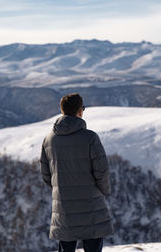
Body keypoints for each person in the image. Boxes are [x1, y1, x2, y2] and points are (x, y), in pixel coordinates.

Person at [40, 93, 113, 252]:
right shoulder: (90, 138)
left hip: (63, 205)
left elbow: (46, 175)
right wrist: (104, 191)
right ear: (80, 111)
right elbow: (102, 171)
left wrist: (60, 189)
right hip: (91, 204)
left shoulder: (49, 139)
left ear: (62, 110)